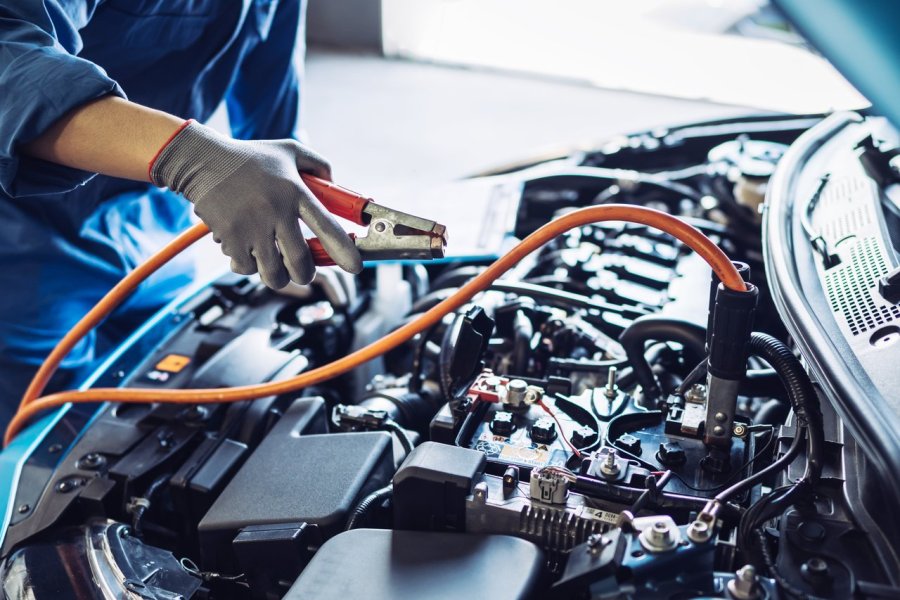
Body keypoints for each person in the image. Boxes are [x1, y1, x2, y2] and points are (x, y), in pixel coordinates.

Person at [0, 0, 361, 425]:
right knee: (48, 442)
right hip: (24, 246)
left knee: (164, 384)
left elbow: (271, 91)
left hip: (155, 227)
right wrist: (190, 157)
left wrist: (288, 224)